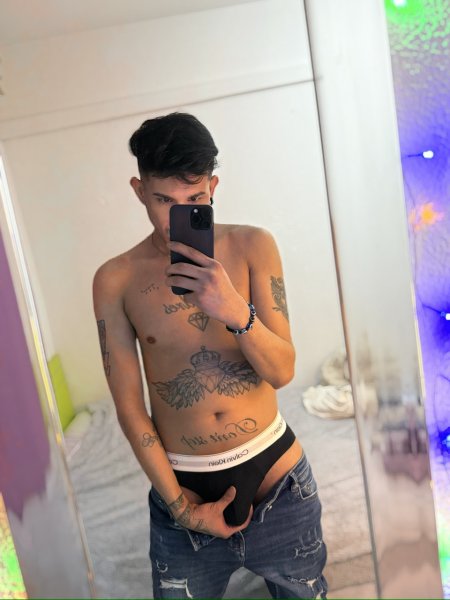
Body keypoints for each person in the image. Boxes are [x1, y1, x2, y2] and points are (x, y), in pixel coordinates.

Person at [93, 112, 327, 599]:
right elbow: (130, 407)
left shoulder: (253, 246)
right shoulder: (115, 280)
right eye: (164, 200)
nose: (176, 216)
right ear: (139, 190)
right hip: (184, 490)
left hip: (278, 482)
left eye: (195, 199)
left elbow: (282, 371)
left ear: (213, 187)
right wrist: (182, 510)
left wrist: (234, 310)